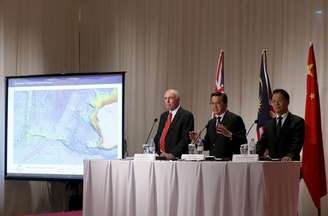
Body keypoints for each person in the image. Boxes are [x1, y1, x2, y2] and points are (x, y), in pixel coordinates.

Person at [190, 92, 247, 159]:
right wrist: (198, 140)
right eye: (212, 103)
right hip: (214, 162)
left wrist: (230, 135)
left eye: (218, 103)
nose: (214, 106)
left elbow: (243, 141)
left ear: (225, 104)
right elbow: (208, 145)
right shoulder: (211, 122)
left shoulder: (235, 119)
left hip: (230, 162)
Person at [256, 89, 304, 161]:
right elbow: (262, 143)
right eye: (273, 101)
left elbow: (297, 143)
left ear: (287, 102)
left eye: (279, 101)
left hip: (290, 164)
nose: (276, 104)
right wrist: (253, 155)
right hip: (271, 165)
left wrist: (290, 156)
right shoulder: (269, 124)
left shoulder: (297, 121)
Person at [154, 89, 194, 159]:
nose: (167, 101)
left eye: (170, 98)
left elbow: (186, 139)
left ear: (178, 100)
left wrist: (172, 154)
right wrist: (158, 152)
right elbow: (159, 136)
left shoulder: (186, 115)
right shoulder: (163, 116)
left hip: (177, 158)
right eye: (165, 98)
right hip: (161, 156)